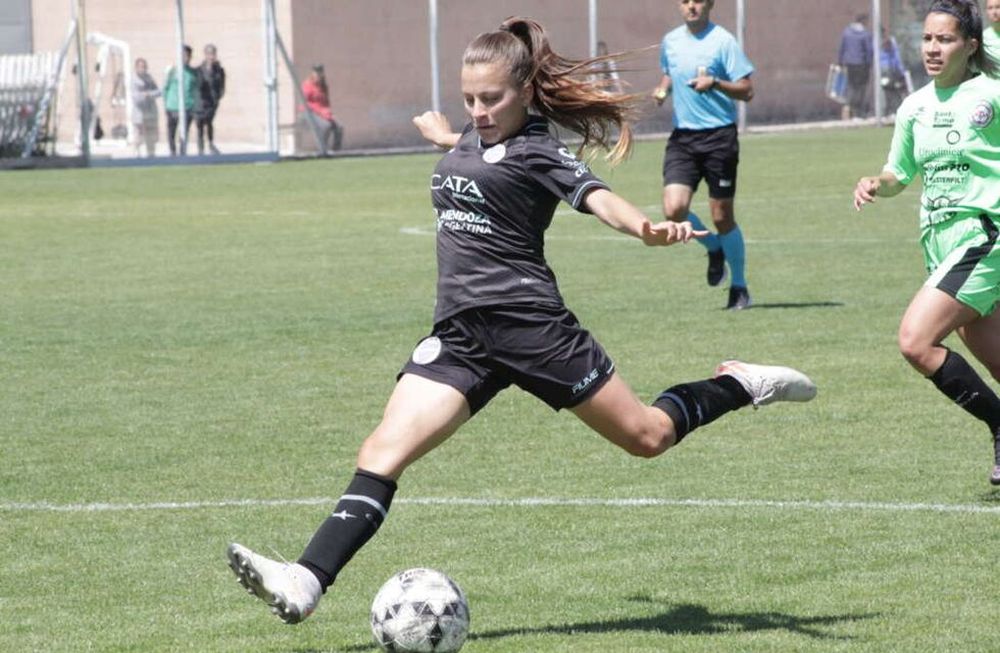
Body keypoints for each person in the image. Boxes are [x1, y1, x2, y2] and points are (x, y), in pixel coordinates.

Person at [226, 16, 816, 625]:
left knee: (648, 437)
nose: (478, 111)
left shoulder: (541, 150)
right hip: (461, 335)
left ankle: (741, 384)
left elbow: (597, 198)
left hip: (534, 330)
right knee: (382, 449)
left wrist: (643, 227)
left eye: (491, 99)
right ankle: (305, 581)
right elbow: (479, 157)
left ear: (526, 92)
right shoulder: (470, 137)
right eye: (469, 100)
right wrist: (444, 135)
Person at [853, 0, 1000, 485]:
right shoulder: (914, 105)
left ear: (970, 46)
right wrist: (878, 182)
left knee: (915, 342)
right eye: (928, 39)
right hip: (938, 242)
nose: (933, 48)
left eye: (946, 39)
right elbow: (901, 172)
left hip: (983, 234)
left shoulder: (991, 91)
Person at [651, 0, 755, 310]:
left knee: (722, 217)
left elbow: (747, 90)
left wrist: (716, 83)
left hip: (719, 137)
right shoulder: (670, 41)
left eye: (697, 0)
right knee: (673, 210)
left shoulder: (723, 41)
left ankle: (739, 286)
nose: (691, 6)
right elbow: (669, 74)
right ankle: (714, 248)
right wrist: (662, 90)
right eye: (685, 1)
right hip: (683, 138)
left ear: (709, 4)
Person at [162, 45, 197, 156]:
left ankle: (183, 153)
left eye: (187, 56)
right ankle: (172, 152)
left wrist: (193, 105)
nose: (184, 58)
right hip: (172, 107)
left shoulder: (193, 73)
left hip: (187, 107)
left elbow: (195, 89)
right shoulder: (172, 71)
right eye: (182, 55)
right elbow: (165, 88)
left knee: (184, 132)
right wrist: (166, 104)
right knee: (172, 131)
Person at [300, 64, 343, 152]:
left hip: (322, 112)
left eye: (320, 73)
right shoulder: (307, 85)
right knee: (326, 126)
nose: (319, 75)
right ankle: (322, 149)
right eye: (316, 73)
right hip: (308, 112)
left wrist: (329, 113)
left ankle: (336, 150)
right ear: (312, 74)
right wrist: (321, 112)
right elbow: (305, 103)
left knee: (339, 126)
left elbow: (326, 103)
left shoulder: (323, 86)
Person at [838, 13, 874, 120]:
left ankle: (850, 110)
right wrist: (870, 64)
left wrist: (840, 62)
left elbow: (842, 48)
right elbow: (869, 51)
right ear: (863, 21)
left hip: (850, 64)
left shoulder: (847, 32)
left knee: (852, 87)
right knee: (861, 88)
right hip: (862, 64)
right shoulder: (865, 34)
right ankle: (858, 113)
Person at [195, 44, 226, 155]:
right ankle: (200, 148)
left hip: (212, 102)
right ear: (205, 55)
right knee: (199, 125)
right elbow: (197, 85)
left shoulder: (219, 70)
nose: (211, 56)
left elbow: (221, 86)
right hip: (200, 102)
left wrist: (218, 97)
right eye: (209, 54)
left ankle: (211, 145)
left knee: (209, 123)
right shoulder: (199, 70)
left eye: (213, 54)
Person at [130, 57, 160, 158]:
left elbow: (158, 92)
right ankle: (137, 153)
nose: (142, 69)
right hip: (139, 112)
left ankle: (151, 153)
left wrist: (148, 94)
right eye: (140, 67)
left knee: (151, 134)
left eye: (144, 67)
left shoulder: (149, 78)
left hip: (150, 112)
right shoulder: (133, 80)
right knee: (138, 135)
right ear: (136, 68)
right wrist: (145, 95)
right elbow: (136, 97)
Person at [880, 27, 907, 116]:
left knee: (893, 91)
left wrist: (901, 70)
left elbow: (896, 57)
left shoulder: (890, 41)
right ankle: (890, 111)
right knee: (889, 91)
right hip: (886, 70)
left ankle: (893, 110)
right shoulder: (879, 42)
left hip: (890, 70)